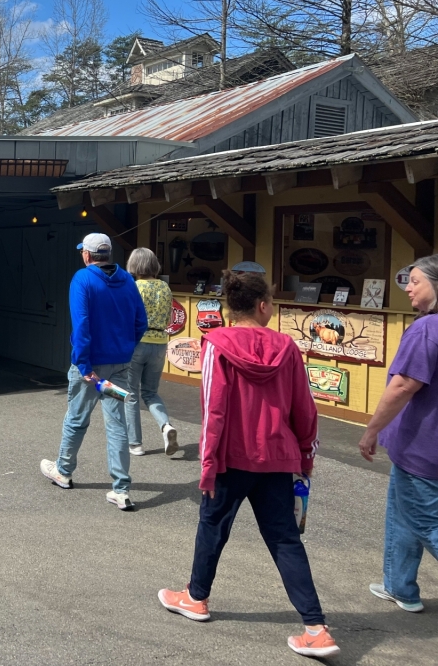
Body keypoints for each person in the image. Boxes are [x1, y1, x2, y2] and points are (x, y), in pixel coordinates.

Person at [158, 271, 338, 659]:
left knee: (212, 525)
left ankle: (196, 597)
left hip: (230, 458)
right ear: (261, 306)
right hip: (278, 456)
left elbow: (213, 410)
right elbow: (305, 409)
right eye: (272, 302)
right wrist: (305, 458)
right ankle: (316, 627)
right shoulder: (288, 348)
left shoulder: (216, 344)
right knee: (284, 539)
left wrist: (207, 466)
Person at [40, 233, 147, 511]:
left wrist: (85, 366)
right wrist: (125, 348)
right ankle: (121, 489)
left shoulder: (82, 279)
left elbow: (82, 325)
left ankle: (63, 471)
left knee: (77, 418)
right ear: (108, 254)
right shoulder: (128, 282)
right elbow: (140, 322)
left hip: (90, 367)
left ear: (87, 255)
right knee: (117, 425)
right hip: (120, 365)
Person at [358, 255, 438, 614]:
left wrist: (372, 429)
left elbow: (403, 385)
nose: (407, 287)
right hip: (420, 447)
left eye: (416, 281)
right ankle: (399, 587)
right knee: (404, 515)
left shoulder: (426, 330)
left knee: (425, 521)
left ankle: (399, 585)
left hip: (424, 445)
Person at [125, 247, 179, 456]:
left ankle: (135, 444)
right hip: (159, 342)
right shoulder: (165, 287)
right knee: (150, 392)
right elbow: (167, 317)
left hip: (137, 342)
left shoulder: (133, 286)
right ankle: (165, 426)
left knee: (131, 394)